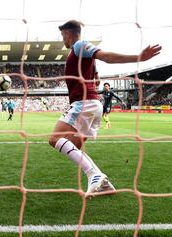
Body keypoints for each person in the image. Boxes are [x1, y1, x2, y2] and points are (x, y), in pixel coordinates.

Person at [49, 20, 161, 197]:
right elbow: (96, 79)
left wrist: (138, 58)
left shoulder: (79, 45)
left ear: (68, 34)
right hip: (93, 104)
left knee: (55, 139)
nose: (62, 38)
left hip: (83, 104)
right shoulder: (83, 57)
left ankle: (95, 175)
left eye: (62, 35)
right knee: (74, 146)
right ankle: (105, 184)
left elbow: (106, 56)